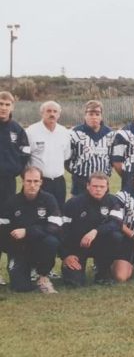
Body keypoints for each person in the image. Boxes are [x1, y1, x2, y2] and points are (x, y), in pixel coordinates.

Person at [0, 166, 62, 293]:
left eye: (36, 181)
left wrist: (28, 232)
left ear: (41, 182)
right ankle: (22, 266)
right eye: (29, 181)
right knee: (20, 287)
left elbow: (55, 225)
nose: (32, 185)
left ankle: (43, 277)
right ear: (22, 181)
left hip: (40, 243)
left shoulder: (49, 199)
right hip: (19, 246)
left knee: (52, 242)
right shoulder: (12, 201)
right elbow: (3, 226)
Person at [60, 172, 124, 286]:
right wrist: (65, 255)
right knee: (74, 283)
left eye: (102, 187)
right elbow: (62, 231)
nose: (98, 189)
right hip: (77, 246)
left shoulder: (112, 201)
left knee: (116, 237)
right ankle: (73, 268)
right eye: (95, 186)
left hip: (101, 245)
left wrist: (95, 231)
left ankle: (103, 271)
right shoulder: (73, 203)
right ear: (88, 186)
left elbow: (116, 223)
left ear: (107, 187)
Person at [0, 91, 31, 286]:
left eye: (6, 104)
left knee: (5, 224)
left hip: (8, 183)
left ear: (12, 107)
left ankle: (11, 269)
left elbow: (25, 152)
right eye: (0, 103)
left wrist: (16, 169)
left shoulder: (17, 129)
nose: (3, 107)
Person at [26, 100, 71, 209]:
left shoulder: (64, 132)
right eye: (49, 111)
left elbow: (66, 156)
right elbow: (26, 158)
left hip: (58, 182)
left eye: (55, 111)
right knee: (37, 211)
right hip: (39, 182)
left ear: (59, 114)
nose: (52, 114)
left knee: (58, 212)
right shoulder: (31, 131)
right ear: (42, 113)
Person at [66, 100, 115, 196]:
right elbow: (67, 159)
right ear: (85, 115)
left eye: (97, 114)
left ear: (101, 116)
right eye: (91, 114)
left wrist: (106, 172)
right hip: (80, 181)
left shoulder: (110, 134)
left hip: (102, 182)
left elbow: (112, 157)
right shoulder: (75, 133)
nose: (94, 117)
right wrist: (76, 171)